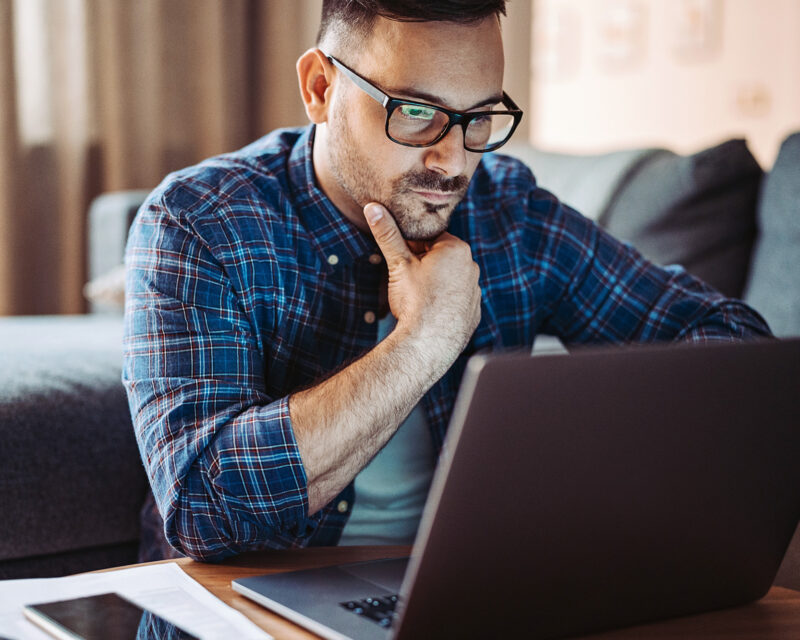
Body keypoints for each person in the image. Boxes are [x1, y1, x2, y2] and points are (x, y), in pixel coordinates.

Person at [123, 0, 771, 562]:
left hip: (471, 593)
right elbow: (202, 512)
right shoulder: (200, 222)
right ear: (320, 87)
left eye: (480, 117)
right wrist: (425, 343)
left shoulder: (510, 214)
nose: (454, 160)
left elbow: (736, 349)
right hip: (245, 604)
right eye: (415, 112)